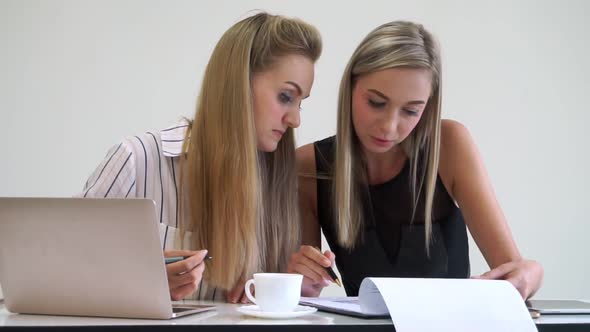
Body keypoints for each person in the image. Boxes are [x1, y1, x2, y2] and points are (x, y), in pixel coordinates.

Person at [287, 21, 543, 299]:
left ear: (428, 107)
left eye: (410, 111)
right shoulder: (308, 166)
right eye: (376, 103)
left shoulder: (449, 144)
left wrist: (530, 273)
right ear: (350, 88)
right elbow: (306, 299)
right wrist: (302, 281)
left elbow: (512, 270)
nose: (389, 126)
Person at [80, 12, 321, 302]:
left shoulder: (280, 187)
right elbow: (57, 273)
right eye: (285, 97)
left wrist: (291, 291)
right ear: (237, 85)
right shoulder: (136, 161)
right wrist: (142, 284)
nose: (295, 119)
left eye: (300, 103)